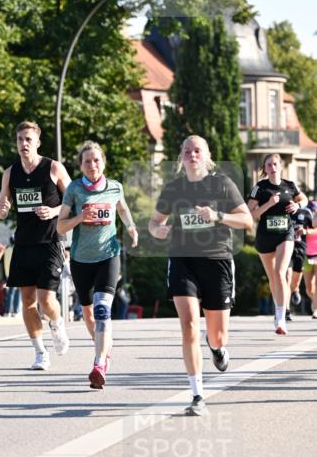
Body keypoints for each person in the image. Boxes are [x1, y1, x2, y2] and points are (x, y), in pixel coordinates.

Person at [148, 135, 253, 416]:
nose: (192, 154)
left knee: (218, 335)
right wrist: (156, 229)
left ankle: (217, 348)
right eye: (187, 151)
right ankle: (197, 395)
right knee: (190, 324)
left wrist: (217, 216)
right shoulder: (173, 188)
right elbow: (155, 221)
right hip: (183, 260)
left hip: (217, 259)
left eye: (197, 150)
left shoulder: (221, 184)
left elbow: (246, 220)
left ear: (206, 155)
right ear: (181, 157)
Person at [57, 141, 138, 389]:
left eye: (96, 160)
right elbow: (60, 226)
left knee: (103, 309)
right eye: (87, 161)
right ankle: (103, 348)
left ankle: (99, 363)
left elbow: (123, 210)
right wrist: (80, 217)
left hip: (108, 255)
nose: (92, 165)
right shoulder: (74, 189)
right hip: (81, 259)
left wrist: (132, 228)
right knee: (89, 314)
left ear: (103, 162)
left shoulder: (115, 187)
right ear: (81, 165)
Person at [0, 121, 70, 370]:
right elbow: (0, 209)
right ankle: (40, 352)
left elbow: (75, 200)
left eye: (28, 139)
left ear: (37, 142)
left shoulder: (53, 168)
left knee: (46, 299)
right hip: (24, 243)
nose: (23, 144)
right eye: (20, 140)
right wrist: (2, 209)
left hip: (50, 240)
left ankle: (57, 323)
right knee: (27, 300)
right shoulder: (10, 173)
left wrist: (54, 211)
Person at [247, 153, 307, 334]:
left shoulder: (290, 186)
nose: (272, 168)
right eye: (269, 165)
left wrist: (298, 206)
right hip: (265, 236)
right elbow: (250, 214)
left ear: (280, 166)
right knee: (273, 278)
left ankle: (281, 318)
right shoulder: (260, 187)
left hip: (285, 234)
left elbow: (303, 199)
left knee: (280, 273)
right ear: (265, 169)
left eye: (275, 164)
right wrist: (268, 205)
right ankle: (279, 309)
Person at [303, 201, 317, 318]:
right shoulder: (304, 218)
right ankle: (316, 301)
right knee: (309, 288)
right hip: (306, 255)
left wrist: (307, 232)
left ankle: (316, 310)